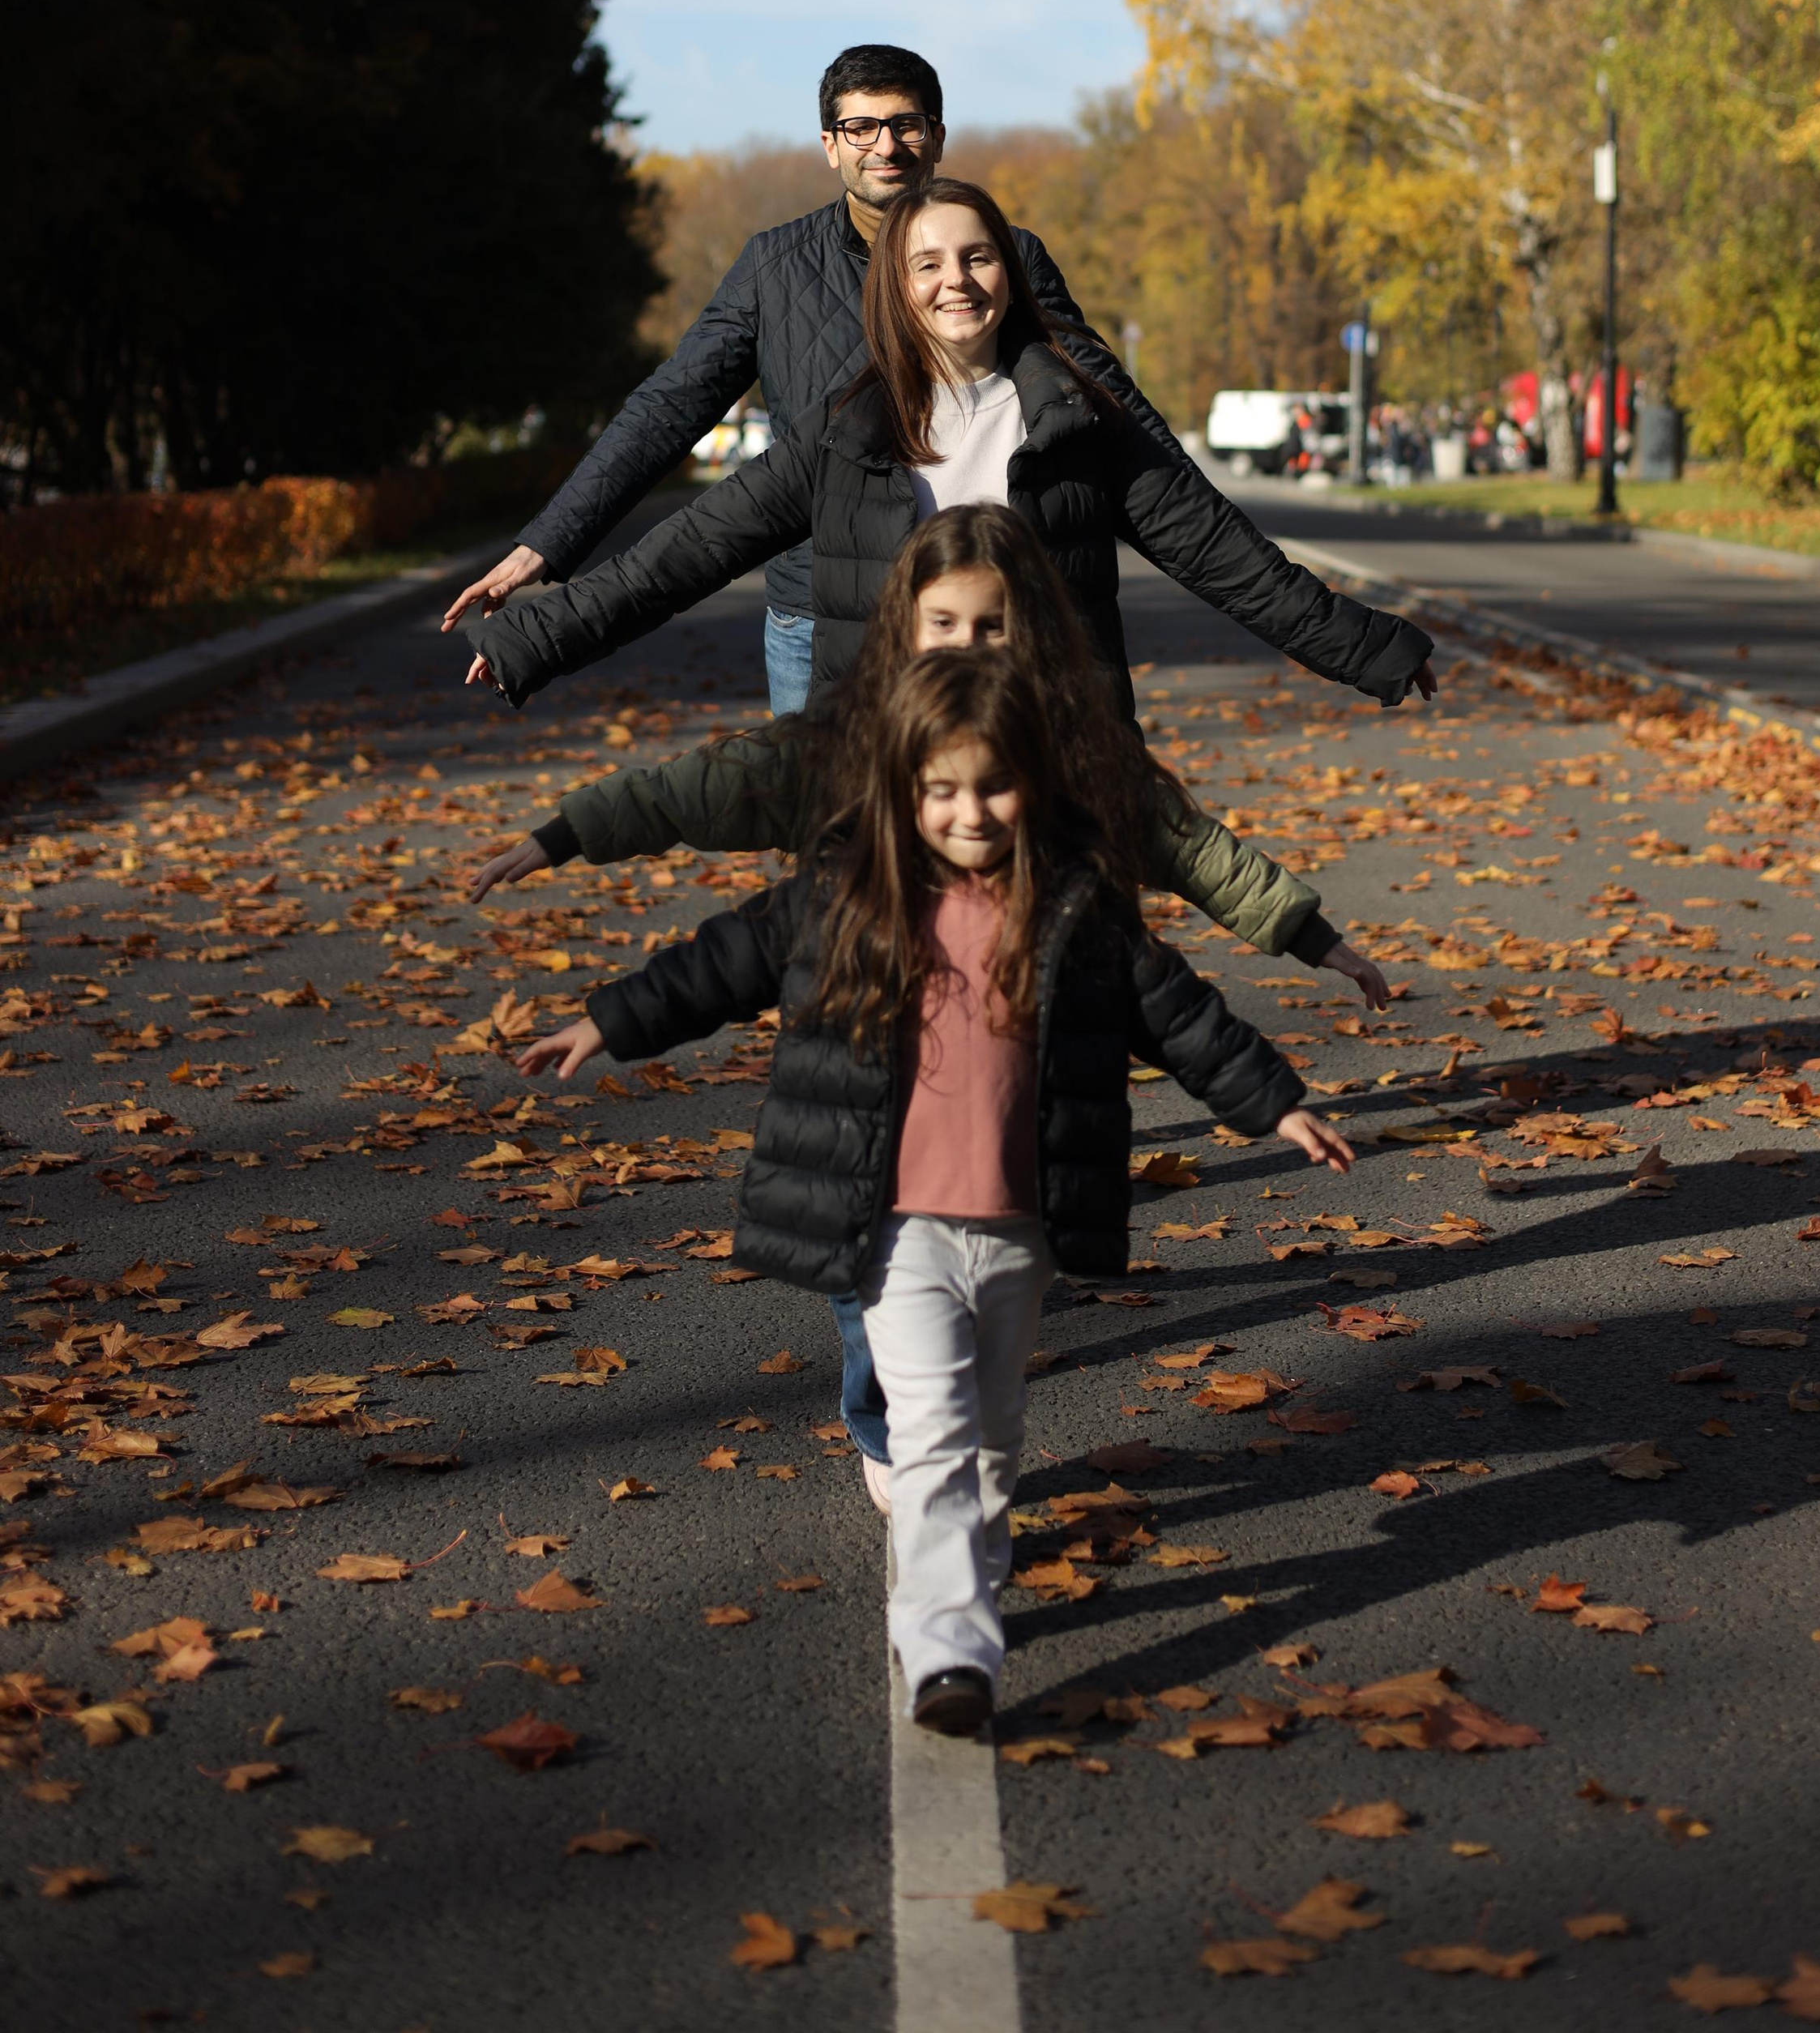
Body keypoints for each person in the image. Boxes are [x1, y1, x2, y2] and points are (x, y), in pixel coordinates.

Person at [465, 503, 1402, 1501]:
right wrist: (560, 837)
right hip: (872, 1039)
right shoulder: (844, 738)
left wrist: (1313, 939)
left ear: (1027, 630)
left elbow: (1191, 850)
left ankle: (955, 1457)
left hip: (1009, 1074)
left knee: (991, 1314)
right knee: (876, 1261)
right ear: (904, 627)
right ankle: (891, 1439)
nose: (966, 647)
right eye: (943, 626)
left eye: (990, 628)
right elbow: (692, 791)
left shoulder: (1075, 747)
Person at [515, 651, 1349, 1737]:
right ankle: (950, 1647)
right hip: (893, 1228)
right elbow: (717, 964)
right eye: (942, 790)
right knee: (939, 1434)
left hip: (1020, 1227)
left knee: (992, 1431)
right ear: (901, 788)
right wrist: (609, 1022)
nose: (969, 813)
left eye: (993, 786)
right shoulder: (851, 890)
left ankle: (966, 1558)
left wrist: (1274, 1103)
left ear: (1037, 784)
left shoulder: (1077, 903)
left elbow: (1180, 1015)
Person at [462, 176, 1438, 718]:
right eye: (927, 264)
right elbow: (687, 552)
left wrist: (1369, 650)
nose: (955, 281)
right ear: (896, 288)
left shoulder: (1075, 419)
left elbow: (1222, 553)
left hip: (1051, 739)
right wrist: (534, 635)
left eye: (976, 257)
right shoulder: (847, 434)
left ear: (1008, 275)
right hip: (889, 744)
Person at [441, 45, 1173, 715]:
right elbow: (667, 411)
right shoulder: (774, 268)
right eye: (861, 128)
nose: (886, 146)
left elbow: (1104, 412)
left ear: (938, 137)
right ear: (830, 145)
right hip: (816, 620)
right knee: (834, 841)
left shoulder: (1005, 260)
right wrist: (545, 547)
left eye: (906, 124)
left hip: (990, 612)